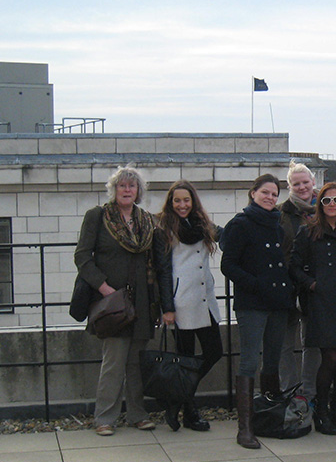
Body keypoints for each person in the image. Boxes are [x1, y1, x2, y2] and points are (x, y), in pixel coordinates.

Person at [74, 166, 161, 436]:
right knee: (113, 361)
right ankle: (105, 417)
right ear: (114, 189)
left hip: (142, 301)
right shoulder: (97, 217)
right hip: (112, 301)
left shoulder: (147, 220)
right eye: (122, 186)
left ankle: (137, 414)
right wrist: (103, 288)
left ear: (138, 191)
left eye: (131, 186)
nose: (127, 190)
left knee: (136, 362)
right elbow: (82, 256)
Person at [220, 174, 293, 449]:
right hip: (252, 302)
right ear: (253, 193)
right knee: (249, 360)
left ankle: (269, 416)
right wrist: (255, 284)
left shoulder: (278, 224)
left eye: (275, 194)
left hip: (277, 301)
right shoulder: (240, 225)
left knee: (272, 360)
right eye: (265, 192)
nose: (270, 198)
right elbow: (229, 265)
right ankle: (245, 428)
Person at [290, 182, 336, 435]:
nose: (332, 205)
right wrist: (311, 285)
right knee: (329, 357)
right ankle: (321, 411)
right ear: (319, 204)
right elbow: (294, 266)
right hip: (322, 303)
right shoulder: (308, 232)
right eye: (326, 201)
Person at [157, 180, 224, 432]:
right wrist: (167, 308)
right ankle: (190, 411)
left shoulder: (202, 224)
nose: (182, 205)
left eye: (186, 200)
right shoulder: (164, 227)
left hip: (205, 299)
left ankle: (177, 399)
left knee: (214, 351)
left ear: (193, 201)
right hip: (181, 301)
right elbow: (163, 270)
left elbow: (226, 234)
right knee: (184, 359)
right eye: (177, 200)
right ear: (171, 202)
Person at [279, 161, 321, 401]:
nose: (302, 187)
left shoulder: (326, 209)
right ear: (290, 187)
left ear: (313, 182)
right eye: (297, 184)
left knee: (311, 343)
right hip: (286, 286)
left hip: (312, 285)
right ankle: (289, 392)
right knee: (285, 344)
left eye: (306, 182)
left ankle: (309, 393)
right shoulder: (280, 213)